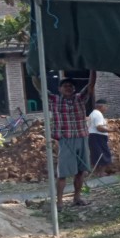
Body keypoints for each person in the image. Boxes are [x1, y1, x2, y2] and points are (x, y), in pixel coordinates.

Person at [34, 71, 97, 211]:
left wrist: (93, 70)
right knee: (62, 173)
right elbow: (40, 88)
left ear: (74, 89)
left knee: (81, 171)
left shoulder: (80, 98)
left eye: (71, 86)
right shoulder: (54, 100)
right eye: (65, 86)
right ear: (60, 89)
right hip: (65, 141)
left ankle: (77, 198)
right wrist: (34, 74)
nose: (68, 88)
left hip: (81, 138)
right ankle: (59, 202)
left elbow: (91, 85)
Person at [88, 99, 112, 176]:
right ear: (101, 106)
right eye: (106, 106)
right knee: (104, 153)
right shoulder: (98, 114)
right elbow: (99, 128)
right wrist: (111, 130)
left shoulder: (93, 113)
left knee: (96, 154)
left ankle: (97, 172)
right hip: (98, 136)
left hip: (93, 136)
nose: (106, 108)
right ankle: (101, 173)